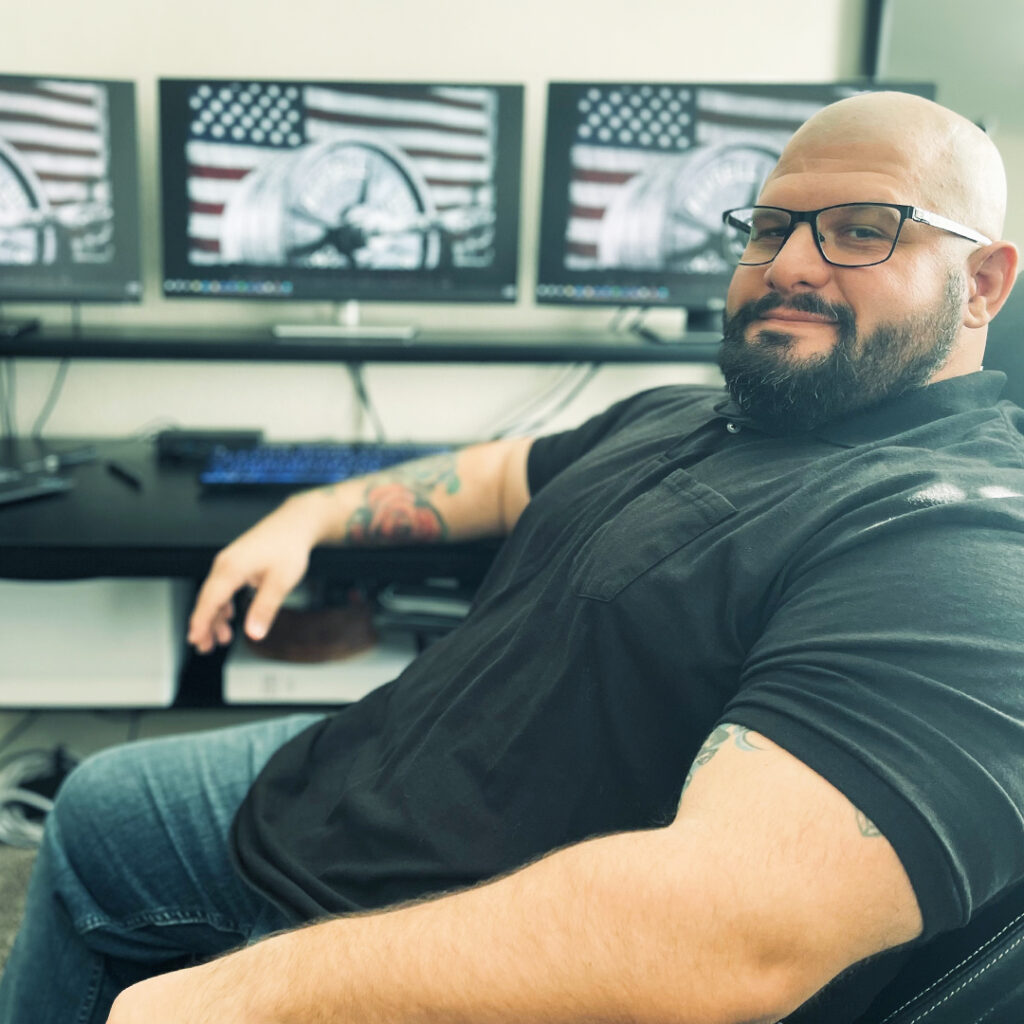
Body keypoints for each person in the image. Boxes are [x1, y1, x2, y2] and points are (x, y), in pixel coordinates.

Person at [2, 89, 1023, 1024]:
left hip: (427, 914)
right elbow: (496, 476)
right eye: (768, 227)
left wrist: (246, 990)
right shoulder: (702, 415)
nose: (789, 264)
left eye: (861, 230)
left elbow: (728, 935)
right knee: (96, 806)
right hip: (366, 780)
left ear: (982, 282)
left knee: (113, 875)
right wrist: (307, 515)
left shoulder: (957, 541)